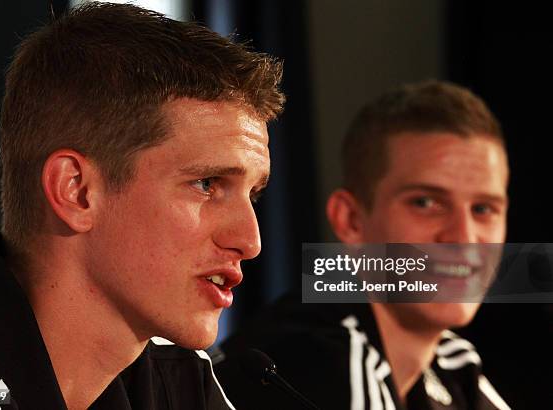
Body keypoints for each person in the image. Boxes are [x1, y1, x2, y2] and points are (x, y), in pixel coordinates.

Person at [0, 2, 284, 409]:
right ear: (77, 190)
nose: (250, 241)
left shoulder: (183, 386)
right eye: (206, 184)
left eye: (253, 195)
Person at [215, 80, 511, 409]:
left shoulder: (453, 364)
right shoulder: (311, 359)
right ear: (351, 220)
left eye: (484, 209)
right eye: (426, 203)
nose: (464, 238)